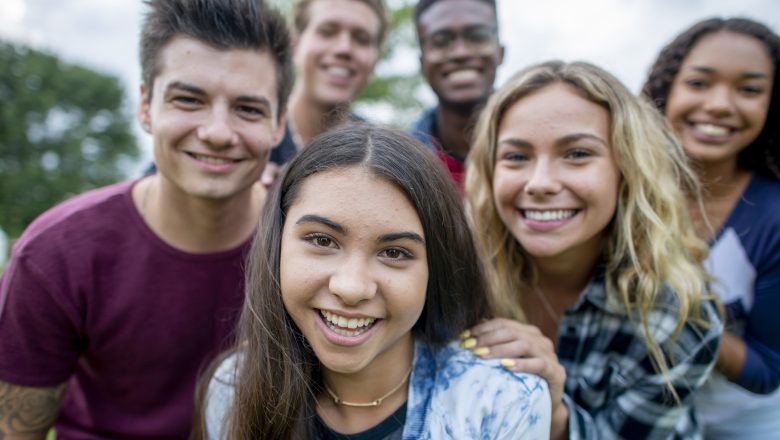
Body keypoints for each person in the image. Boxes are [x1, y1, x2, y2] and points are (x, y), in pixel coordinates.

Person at [0, 0, 292, 438]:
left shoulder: (306, 242)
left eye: (248, 109)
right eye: (189, 100)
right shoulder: (54, 256)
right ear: (145, 105)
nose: (216, 131)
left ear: (278, 124)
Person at [194, 123, 552, 439]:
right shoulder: (233, 389)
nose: (351, 288)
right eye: (322, 241)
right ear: (277, 245)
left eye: (394, 253)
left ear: (435, 269)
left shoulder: (503, 406)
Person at [465, 60, 723, 439]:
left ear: (628, 170)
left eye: (577, 154)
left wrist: (553, 413)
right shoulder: (454, 279)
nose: (540, 183)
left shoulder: (677, 317)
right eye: (517, 157)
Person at [643, 17, 780, 439]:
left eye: (750, 89)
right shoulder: (625, 193)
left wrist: (673, 312)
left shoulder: (773, 218)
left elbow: (768, 370)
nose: (720, 104)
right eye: (699, 83)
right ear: (667, 90)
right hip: (638, 421)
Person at [261, 0, 387, 185]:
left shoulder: (383, 157)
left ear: (375, 62)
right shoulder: (253, 139)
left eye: (361, 39)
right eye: (327, 32)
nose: (344, 49)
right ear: (294, 46)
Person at [410, 0, 504, 188]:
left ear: (500, 52)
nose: (460, 53)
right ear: (422, 63)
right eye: (441, 41)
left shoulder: (544, 147)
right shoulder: (401, 165)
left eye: (477, 36)